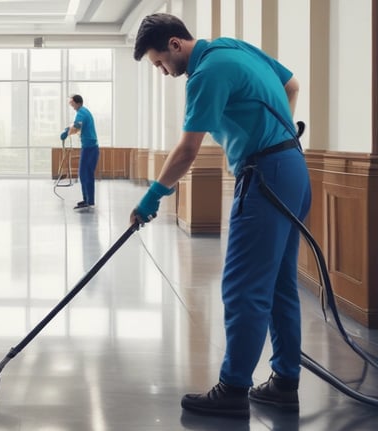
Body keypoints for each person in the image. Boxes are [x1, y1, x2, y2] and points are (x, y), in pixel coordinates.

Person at [131, 13, 311, 418]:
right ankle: (284, 382)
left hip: (264, 176)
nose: (162, 71)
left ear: (176, 44)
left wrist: (154, 195)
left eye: (160, 62)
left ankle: (232, 389)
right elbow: (291, 84)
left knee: (242, 287)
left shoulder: (205, 74)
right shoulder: (233, 46)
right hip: (293, 168)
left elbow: (187, 150)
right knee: (280, 284)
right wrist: (278, 135)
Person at [60, 94, 99, 211]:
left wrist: (66, 133)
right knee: (87, 175)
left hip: (89, 149)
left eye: (72, 104)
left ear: (78, 103)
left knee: (84, 174)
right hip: (91, 148)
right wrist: (68, 129)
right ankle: (88, 200)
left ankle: (88, 200)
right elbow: (76, 125)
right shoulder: (84, 111)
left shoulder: (81, 112)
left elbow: (76, 127)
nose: (72, 106)